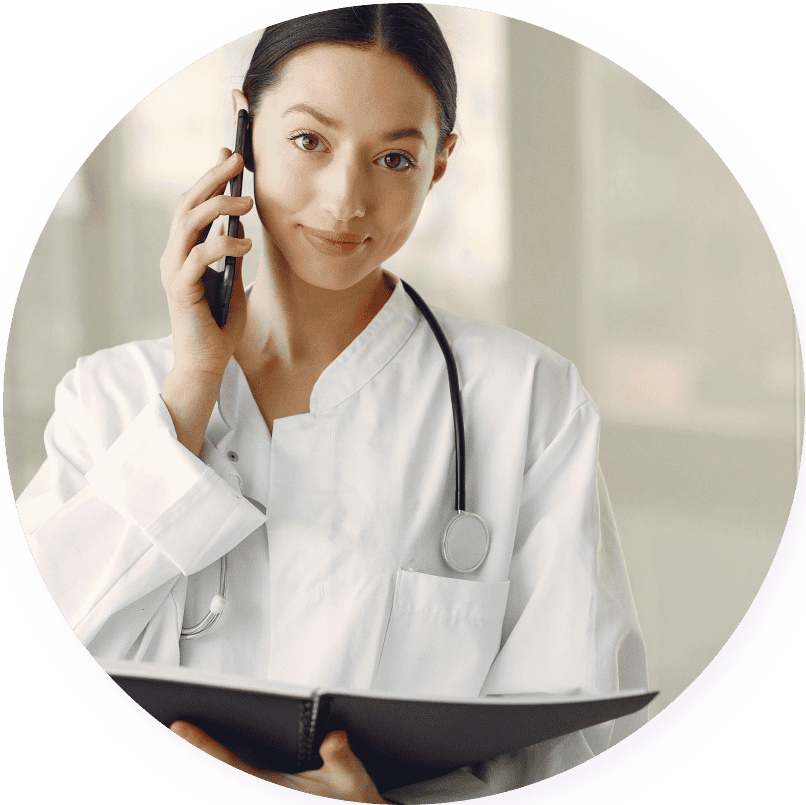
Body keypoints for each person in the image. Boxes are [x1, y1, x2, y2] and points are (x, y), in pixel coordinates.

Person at [18, 4, 647, 802]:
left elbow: (580, 750)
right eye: (309, 140)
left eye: (393, 158)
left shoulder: (528, 401)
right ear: (244, 126)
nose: (348, 199)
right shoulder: (108, 400)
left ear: (442, 162)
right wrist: (188, 393)